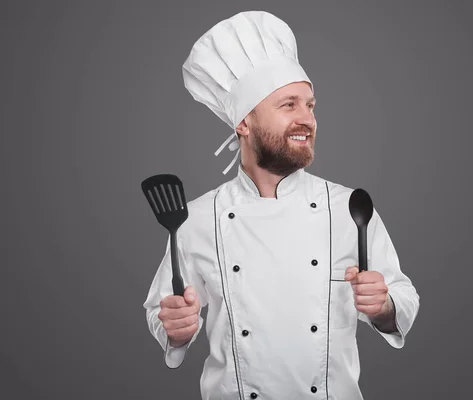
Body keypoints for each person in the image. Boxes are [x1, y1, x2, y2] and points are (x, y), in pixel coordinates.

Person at [143, 10, 420, 400]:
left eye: (311, 105)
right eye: (289, 105)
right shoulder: (196, 218)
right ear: (244, 122)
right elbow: (163, 313)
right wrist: (175, 328)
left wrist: (383, 306)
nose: (307, 118)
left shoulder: (350, 208)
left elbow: (403, 299)